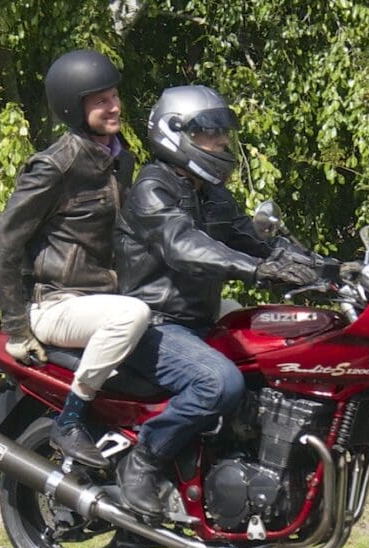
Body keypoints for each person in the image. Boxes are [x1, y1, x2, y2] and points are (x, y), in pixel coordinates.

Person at [114, 85, 317, 516]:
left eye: (224, 132)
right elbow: (183, 245)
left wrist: (332, 269)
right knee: (218, 382)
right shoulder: (153, 189)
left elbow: (258, 244)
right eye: (210, 132)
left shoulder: (212, 194)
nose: (222, 142)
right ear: (176, 133)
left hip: (199, 324)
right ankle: (144, 459)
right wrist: (256, 271)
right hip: (155, 325)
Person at [0, 49, 151, 469]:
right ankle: (70, 420)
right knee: (131, 315)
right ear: (74, 109)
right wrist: (18, 328)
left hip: (99, 299)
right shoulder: (56, 166)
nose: (113, 106)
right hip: (55, 303)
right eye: (100, 101)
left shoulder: (118, 158)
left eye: (114, 96)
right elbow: (0, 245)